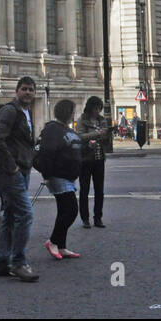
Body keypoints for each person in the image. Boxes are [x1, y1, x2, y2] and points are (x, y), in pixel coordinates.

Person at [0, 77, 40, 281]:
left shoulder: (26, 112)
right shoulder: (10, 111)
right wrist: (13, 167)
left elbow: (22, 143)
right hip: (9, 171)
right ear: (17, 91)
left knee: (10, 214)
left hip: (21, 169)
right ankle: (19, 262)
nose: (28, 93)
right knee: (25, 214)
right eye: (24, 89)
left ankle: (2, 262)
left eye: (31, 90)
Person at [40, 99, 83, 261]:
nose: (74, 115)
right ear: (66, 112)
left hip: (69, 176)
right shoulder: (53, 128)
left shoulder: (66, 129)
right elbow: (47, 152)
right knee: (71, 210)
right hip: (58, 175)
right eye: (72, 111)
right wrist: (46, 174)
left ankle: (61, 246)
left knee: (63, 211)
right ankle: (52, 241)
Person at [76, 96, 108, 229]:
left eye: (99, 108)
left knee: (99, 190)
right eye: (95, 108)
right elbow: (79, 136)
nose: (97, 111)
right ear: (90, 107)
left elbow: (105, 137)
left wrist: (104, 134)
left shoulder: (102, 120)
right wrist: (96, 134)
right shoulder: (82, 120)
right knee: (84, 190)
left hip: (99, 158)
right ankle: (85, 219)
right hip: (85, 159)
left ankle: (98, 218)